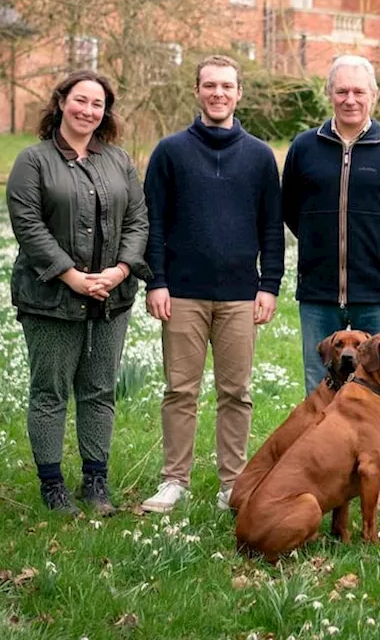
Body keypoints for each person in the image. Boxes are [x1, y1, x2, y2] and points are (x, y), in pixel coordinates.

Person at [138, 55, 284, 514]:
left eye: (226, 86)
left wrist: (270, 285)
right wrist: (156, 281)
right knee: (180, 389)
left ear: (239, 93)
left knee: (235, 392)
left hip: (242, 294)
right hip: (181, 292)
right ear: (197, 91)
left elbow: (271, 228)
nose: (218, 93)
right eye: (209, 85)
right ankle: (174, 480)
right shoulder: (170, 152)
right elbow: (153, 222)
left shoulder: (260, 156)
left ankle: (233, 484)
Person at [280, 54, 380, 514]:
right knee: (320, 386)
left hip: (376, 290)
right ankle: (323, 478)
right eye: (342, 90)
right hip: (319, 291)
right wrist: (324, 251)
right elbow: (291, 210)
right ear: (330, 94)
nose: (350, 99)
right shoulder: (304, 147)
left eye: (359, 91)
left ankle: (377, 484)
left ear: (374, 95)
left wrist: (379, 251)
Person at [6, 70, 150, 517]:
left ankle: (95, 482)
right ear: (61, 102)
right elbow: (28, 225)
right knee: (50, 391)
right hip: (51, 298)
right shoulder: (34, 161)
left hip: (111, 297)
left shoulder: (119, 161)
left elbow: (138, 220)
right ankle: (52, 485)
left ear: (106, 112)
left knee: (99, 389)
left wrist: (120, 269)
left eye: (98, 104)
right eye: (80, 100)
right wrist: (70, 276)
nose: (88, 110)